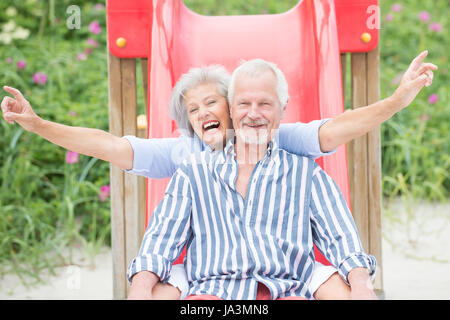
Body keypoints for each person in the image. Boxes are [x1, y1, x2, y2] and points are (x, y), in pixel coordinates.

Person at [1, 51, 437, 299]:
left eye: (214, 103)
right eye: (194, 110)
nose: (206, 113)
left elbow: (341, 127)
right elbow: (109, 146)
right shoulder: (186, 159)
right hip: (212, 276)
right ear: (187, 123)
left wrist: (398, 100)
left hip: (285, 273)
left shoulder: (287, 145)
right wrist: (38, 124)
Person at [127, 58, 380, 300]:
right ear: (231, 108)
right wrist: (140, 288)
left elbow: (341, 238)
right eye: (244, 104)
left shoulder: (306, 173)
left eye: (265, 105)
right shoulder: (192, 173)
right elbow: (161, 240)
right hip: (213, 291)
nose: (253, 114)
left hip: (286, 290)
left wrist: (360, 284)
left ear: (282, 109)